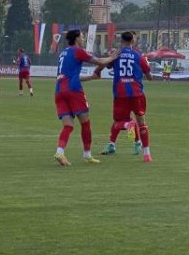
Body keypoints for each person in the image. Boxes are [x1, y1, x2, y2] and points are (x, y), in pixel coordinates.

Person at [53, 29, 112, 167]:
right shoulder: (78, 51)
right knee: (85, 123)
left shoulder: (63, 53)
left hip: (59, 91)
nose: (84, 38)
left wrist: (91, 77)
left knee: (68, 126)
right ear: (77, 38)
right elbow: (99, 61)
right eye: (82, 36)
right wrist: (113, 57)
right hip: (73, 91)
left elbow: (71, 77)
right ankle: (87, 155)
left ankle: (60, 152)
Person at [100, 31, 154, 162]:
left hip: (121, 93)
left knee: (119, 122)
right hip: (137, 94)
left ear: (121, 40)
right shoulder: (139, 56)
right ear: (133, 41)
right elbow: (150, 77)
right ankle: (147, 155)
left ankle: (128, 128)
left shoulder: (116, 55)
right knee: (142, 123)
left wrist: (111, 57)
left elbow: (107, 65)